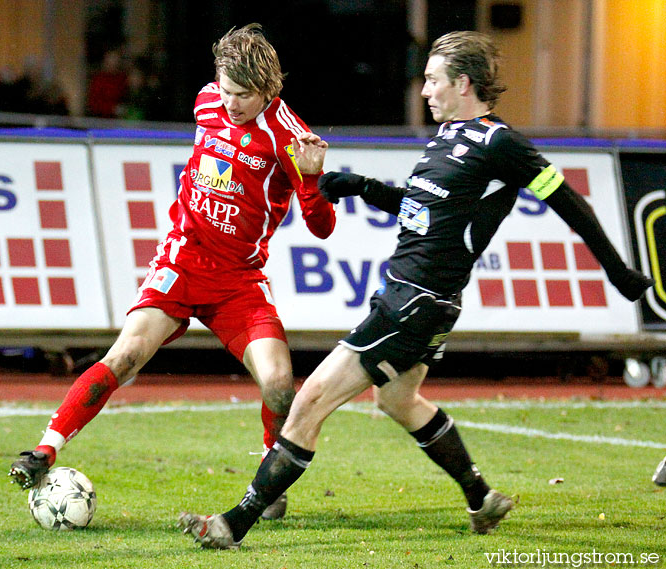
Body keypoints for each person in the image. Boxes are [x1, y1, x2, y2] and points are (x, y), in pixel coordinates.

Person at [178, 30, 655, 549]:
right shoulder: (448, 137)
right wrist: (360, 186)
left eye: (432, 80)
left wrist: (617, 271)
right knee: (399, 399)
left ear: (463, 83)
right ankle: (481, 496)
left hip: (416, 298)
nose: (424, 90)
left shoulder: (502, 144)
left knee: (309, 399)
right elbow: (417, 208)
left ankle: (233, 523)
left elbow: (570, 204)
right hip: (422, 296)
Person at [9, 23, 336, 522]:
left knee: (278, 383)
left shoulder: (290, 138)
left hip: (238, 281)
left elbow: (323, 226)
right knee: (126, 355)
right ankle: (43, 452)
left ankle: (271, 471)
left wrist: (311, 182)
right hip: (180, 262)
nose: (230, 103)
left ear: (269, 89)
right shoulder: (207, 101)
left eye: (243, 95)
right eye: (225, 90)